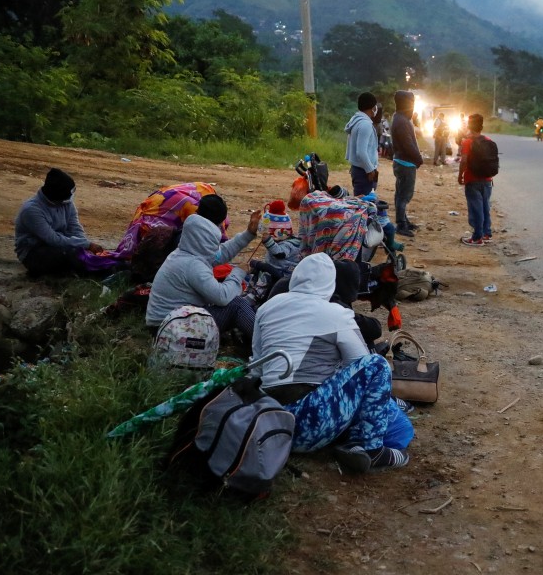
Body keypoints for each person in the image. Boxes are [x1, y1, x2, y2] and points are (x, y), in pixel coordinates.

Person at [251, 253, 410, 473]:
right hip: (308, 425)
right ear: (330, 283)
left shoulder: (267, 307)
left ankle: (351, 440)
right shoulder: (336, 313)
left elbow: (257, 364)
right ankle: (370, 449)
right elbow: (361, 364)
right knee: (376, 365)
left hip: (268, 424)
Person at [145, 194, 262, 341]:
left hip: (166, 323)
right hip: (172, 330)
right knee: (237, 304)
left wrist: (249, 234)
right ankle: (267, 343)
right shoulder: (194, 266)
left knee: (230, 298)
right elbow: (222, 297)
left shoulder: (186, 253)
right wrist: (238, 273)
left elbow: (220, 254)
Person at [14, 167, 105, 277]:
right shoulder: (31, 211)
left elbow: (75, 227)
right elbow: (53, 239)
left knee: (80, 254)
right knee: (72, 256)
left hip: (59, 246)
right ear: (57, 196)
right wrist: (87, 245)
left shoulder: (66, 202)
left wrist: (84, 246)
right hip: (34, 252)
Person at [391, 90, 423, 237]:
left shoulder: (400, 118)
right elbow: (408, 145)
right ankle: (401, 225)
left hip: (402, 161)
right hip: (405, 163)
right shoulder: (402, 121)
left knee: (400, 193)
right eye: (412, 103)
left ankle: (404, 220)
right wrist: (418, 159)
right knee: (404, 195)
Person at [458, 114, 494, 246]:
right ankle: (486, 233)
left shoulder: (468, 142)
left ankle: (477, 237)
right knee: (485, 207)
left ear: (469, 125)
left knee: (476, 208)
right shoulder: (488, 140)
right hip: (487, 180)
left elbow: (464, 161)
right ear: (481, 126)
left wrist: (460, 175)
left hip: (472, 180)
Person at [345, 92, 381, 196]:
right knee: (364, 206)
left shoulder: (357, 121)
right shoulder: (365, 124)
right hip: (364, 172)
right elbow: (361, 152)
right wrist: (370, 170)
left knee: (361, 204)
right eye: (375, 106)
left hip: (359, 169)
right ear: (372, 107)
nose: (376, 109)